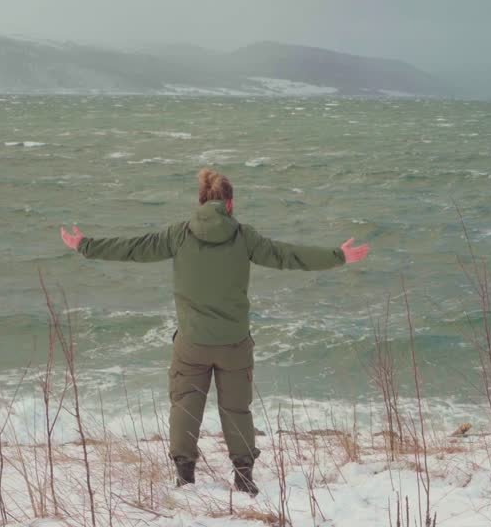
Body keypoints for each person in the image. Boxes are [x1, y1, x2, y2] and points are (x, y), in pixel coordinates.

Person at [60, 168, 369, 494]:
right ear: (231, 204)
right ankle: (244, 477)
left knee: (184, 404)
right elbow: (286, 255)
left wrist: (85, 245)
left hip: (192, 341)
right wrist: (338, 256)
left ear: (200, 201)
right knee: (237, 408)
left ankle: (184, 475)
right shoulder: (244, 236)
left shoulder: (178, 234)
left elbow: (133, 248)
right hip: (234, 343)